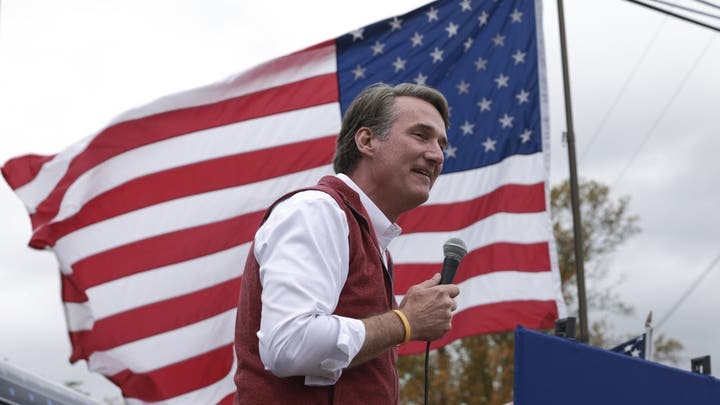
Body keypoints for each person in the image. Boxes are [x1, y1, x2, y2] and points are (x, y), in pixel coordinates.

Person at [233, 82, 460, 404]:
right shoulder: (317, 210)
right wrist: (405, 321)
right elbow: (289, 343)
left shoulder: (368, 238)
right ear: (367, 140)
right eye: (421, 135)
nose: (437, 155)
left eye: (441, 144)